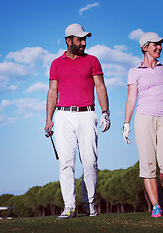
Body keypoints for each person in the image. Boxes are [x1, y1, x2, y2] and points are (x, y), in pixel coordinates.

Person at [45, 23, 110, 219]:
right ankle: (69, 206)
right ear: (68, 41)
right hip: (63, 115)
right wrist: (48, 119)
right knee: (66, 163)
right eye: (80, 39)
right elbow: (52, 92)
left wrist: (106, 112)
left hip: (87, 114)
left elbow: (100, 86)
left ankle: (89, 203)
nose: (83, 43)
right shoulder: (56, 63)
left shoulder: (93, 60)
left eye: (85, 39)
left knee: (90, 162)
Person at [122, 32, 163, 218]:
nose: (159, 47)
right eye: (155, 44)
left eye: (160, 44)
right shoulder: (134, 72)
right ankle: (156, 206)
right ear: (144, 47)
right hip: (144, 119)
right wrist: (126, 124)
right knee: (148, 164)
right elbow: (131, 99)